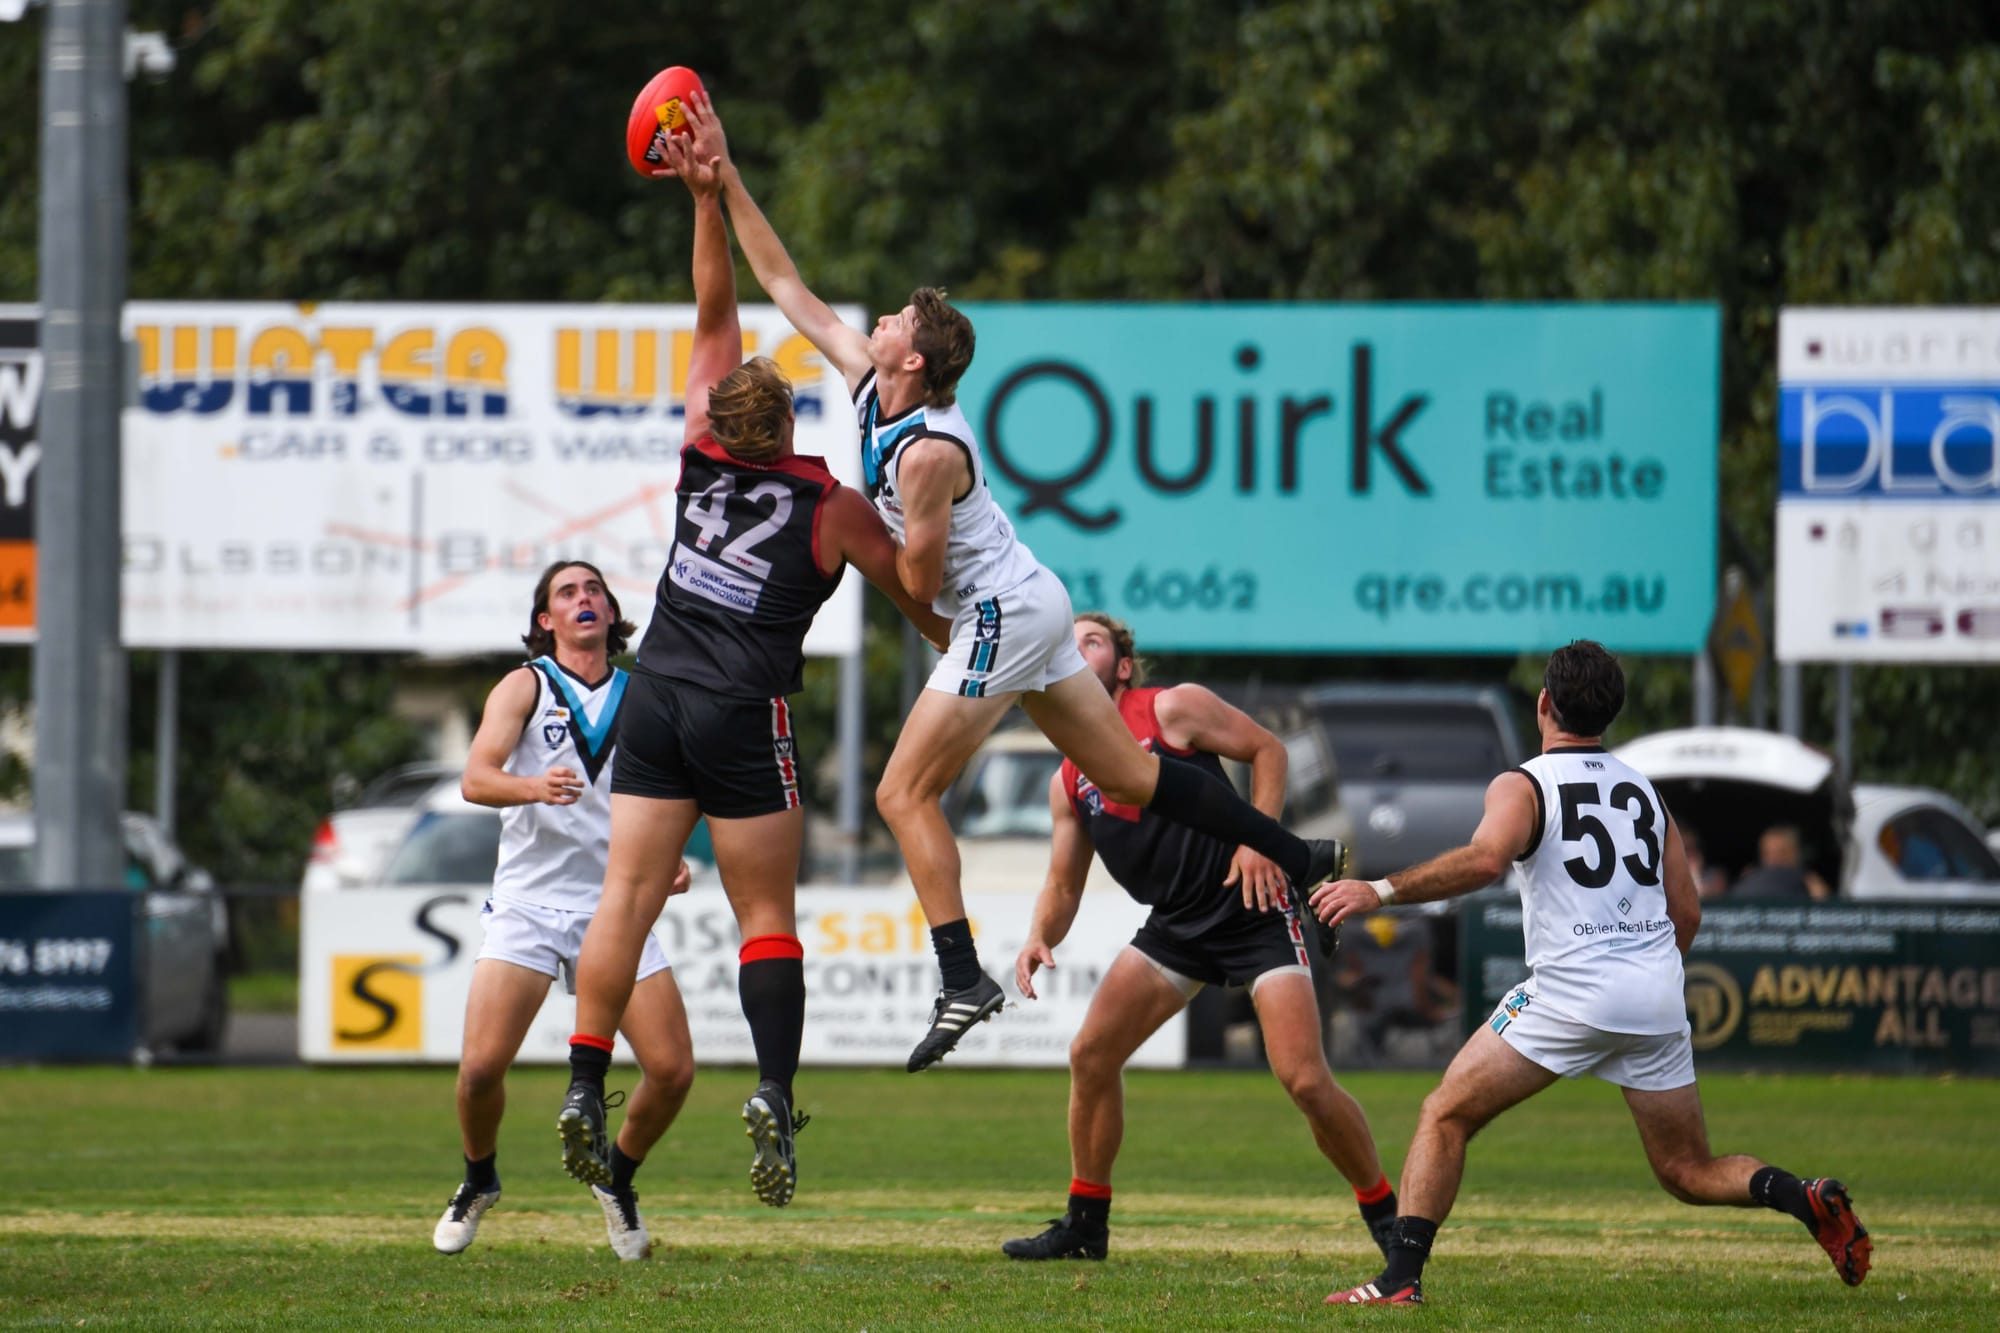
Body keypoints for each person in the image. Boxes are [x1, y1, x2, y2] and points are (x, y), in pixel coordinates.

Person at [682, 93, 1348, 1074]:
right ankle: (1304, 860)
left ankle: (960, 975)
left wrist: (903, 592)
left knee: (901, 793)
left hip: (1000, 614)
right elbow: (782, 282)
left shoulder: (924, 455)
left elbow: (915, 576)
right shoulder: (874, 388)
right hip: (1026, 604)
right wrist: (724, 173)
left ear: (911, 355)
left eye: (897, 316)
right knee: (1127, 777)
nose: (877, 315)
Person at [557, 131, 954, 1210]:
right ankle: (775, 1094)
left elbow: (712, 309)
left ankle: (587, 1079)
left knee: (625, 900)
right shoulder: (831, 505)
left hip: (659, 696)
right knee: (764, 914)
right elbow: (917, 595)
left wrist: (699, 202)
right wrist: (962, 650)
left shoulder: (697, 450)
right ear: (788, 423)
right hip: (742, 712)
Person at [1311, 640, 1870, 1306]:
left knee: (1444, 1114)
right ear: (1611, 711)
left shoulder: (1523, 782)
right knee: (1687, 1169)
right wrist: (1649, 978)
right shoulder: (1643, 789)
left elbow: (1488, 860)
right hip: (1656, 997)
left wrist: (1379, 889)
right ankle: (1802, 1196)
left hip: (1570, 996)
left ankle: (1399, 1279)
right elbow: (1685, 910)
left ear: (1545, 702)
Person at [1004, 613, 1399, 1262]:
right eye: (1066, 641)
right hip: (1176, 928)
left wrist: (1255, 840)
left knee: (1304, 1081)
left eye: (1092, 640)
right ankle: (1086, 1225)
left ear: (1122, 666)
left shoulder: (1172, 708)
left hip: (1253, 910)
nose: (1075, 648)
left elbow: (1269, 749)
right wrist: (1037, 936)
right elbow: (1063, 885)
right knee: (1092, 1054)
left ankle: (1387, 1215)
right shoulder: (1069, 777)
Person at [434, 560, 692, 1263]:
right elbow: (475, 777)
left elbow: (674, 791)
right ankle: (478, 1179)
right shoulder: (526, 684)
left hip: (618, 903)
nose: (584, 599)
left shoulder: (648, 694)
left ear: (611, 612)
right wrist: (530, 786)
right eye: (566, 593)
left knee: (672, 1070)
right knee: (481, 1071)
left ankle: (618, 1175)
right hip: (529, 904)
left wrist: (674, 852)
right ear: (545, 620)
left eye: (594, 591)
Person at [1731, 825, 1832, 901]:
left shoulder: (1810, 881)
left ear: (1796, 853)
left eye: (1782, 853)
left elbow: (1826, 914)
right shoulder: (1750, 879)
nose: (1774, 859)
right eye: (1767, 854)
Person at [1681, 827, 1729, 900]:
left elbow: (1715, 897)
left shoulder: (1716, 875)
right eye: (1686, 849)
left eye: (1694, 847)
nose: (1691, 854)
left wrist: (1695, 875)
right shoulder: (1667, 878)